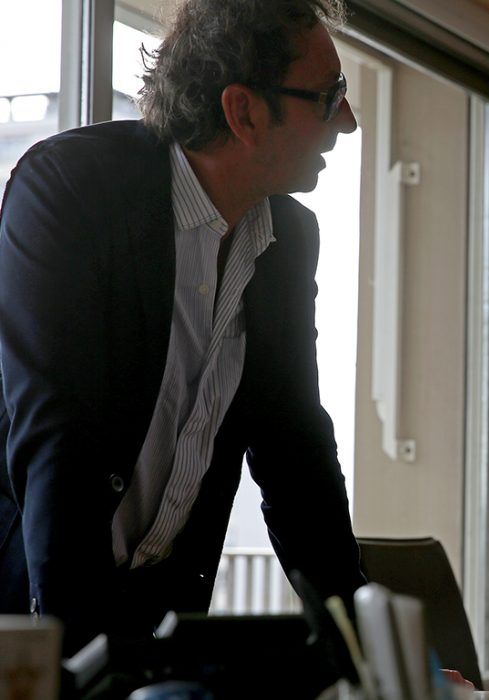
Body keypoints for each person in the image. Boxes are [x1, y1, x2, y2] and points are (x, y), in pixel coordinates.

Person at [0, 0, 365, 654]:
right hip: (25, 619)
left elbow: (296, 457)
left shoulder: (288, 238)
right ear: (243, 111)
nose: (348, 120)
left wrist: (373, 663)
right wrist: (69, 669)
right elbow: (59, 440)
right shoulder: (72, 188)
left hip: (156, 624)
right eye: (328, 94)